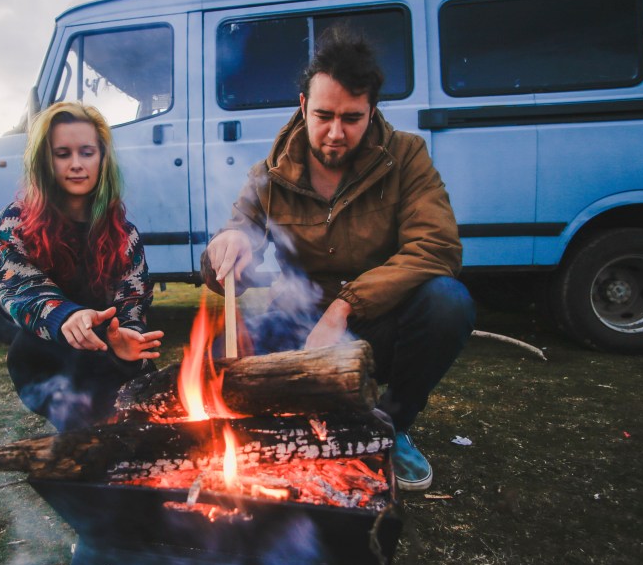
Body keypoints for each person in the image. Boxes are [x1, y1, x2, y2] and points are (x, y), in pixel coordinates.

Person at [202, 29, 475, 490]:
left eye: (352, 118)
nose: (335, 133)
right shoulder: (269, 173)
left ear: (372, 111)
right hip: (297, 325)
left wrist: (344, 306)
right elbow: (233, 250)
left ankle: (388, 426)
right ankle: (284, 432)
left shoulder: (406, 156)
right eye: (324, 115)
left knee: (448, 302)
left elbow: (438, 247)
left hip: (377, 322)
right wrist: (227, 252)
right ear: (304, 104)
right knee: (217, 356)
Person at [0, 101, 163, 431]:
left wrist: (128, 337)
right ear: (45, 160)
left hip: (110, 361)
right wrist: (68, 316)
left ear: (102, 159)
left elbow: (132, 305)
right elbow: (20, 290)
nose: (76, 164)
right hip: (47, 361)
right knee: (84, 440)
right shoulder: (16, 222)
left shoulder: (124, 235)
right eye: (62, 154)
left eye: (86, 152)